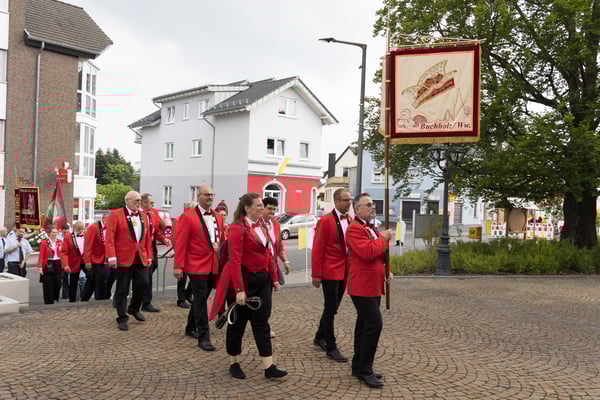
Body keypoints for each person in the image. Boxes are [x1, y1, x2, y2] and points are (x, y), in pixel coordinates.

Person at [209, 192, 287, 380]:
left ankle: (269, 367)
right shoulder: (237, 228)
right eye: (259, 205)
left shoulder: (262, 226)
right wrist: (239, 290)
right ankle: (234, 362)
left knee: (262, 323)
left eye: (262, 205)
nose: (262, 208)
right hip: (243, 281)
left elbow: (268, 254)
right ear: (247, 208)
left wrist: (274, 278)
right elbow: (235, 261)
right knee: (238, 325)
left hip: (262, 282)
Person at [345, 192, 393, 389]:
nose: (373, 207)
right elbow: (368, 252)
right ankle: (366, 370)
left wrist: (387, 270)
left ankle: (359, 367)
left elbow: (380, 254)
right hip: (361, 286)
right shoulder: (354, 229)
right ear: (357, 209)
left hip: (373, 285)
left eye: (373, 204)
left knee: (364, 326)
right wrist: (384, 237)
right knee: (374, 325)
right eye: (369, 204)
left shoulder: (370, 227)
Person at [174, 185, 224, 349]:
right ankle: (204, 337)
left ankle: (190, 327)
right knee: (202, 300)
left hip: (213, 264)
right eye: (206, 194)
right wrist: (179, 266)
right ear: (199, 196)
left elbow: (220, 240)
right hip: (195, 265)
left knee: (200, 298)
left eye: (212, 194)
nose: (210, 197)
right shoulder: (187, 217)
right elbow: (181, 242)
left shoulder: (218, 216)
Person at [311, 188, 353, 362]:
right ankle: (331, 346)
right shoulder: (326, 221)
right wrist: (316, 274)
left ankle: (319, 337)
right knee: (330, 308)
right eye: (346, 200)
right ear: (337, 201)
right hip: (329, 271)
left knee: (333, 307)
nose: (349, 203)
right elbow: (318, 248)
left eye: (350, 200)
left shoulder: (350, 220)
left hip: (344, 271)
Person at [105, 191, 153, 331]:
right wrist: (112, 257)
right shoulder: (116, 214)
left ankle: (133, 308)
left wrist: (149, 256)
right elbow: (109, 237)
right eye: (136, 200)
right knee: (122, 289)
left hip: (140, 257)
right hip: (123, 258)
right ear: (127, 201)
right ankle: (122, 317)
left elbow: (147, 238)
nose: (139, 202)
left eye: (140, 200)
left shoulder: (144, 216)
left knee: (144, 283)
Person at [261, 197, 290, 338]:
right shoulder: (257, 224)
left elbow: (279, 247)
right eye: (269, 208)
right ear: (262, 208)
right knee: (260, 299)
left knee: (267, 299)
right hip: (259, 268)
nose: (272, 212)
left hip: (272, 267)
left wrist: (285, 261)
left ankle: (263, 325)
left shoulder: (276, 225)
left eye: (274, 209)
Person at [141, 193, 170, 313]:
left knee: (151, 270)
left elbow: (156, 230)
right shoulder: (138, 214)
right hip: (141, 249)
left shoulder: (153, 213)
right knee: (143, 276)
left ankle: (146, 301)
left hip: (151, 247)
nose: (153, 205)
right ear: (144, 203)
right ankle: (144, 302)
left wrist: (163, 239)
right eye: (151, 203)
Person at [82, 216, 108, 300]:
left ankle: (85, 298)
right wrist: (87, 261)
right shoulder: (93, 228)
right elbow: (87, 245)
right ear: (104, 219)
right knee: (101, 275)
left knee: (93, 279)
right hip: (93, 258)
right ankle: (101, 297)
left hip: (103, 258)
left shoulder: (110, 228)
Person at [59, 221, 86, 302]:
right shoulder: (68, 237)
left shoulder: (86, 235)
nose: (81, 230)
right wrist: (66, 264)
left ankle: (85, 297)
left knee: (92, 276)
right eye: (79, 228)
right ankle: (72, 301)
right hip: (74, 263)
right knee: (73, 282)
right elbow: (64, 252)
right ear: (74, 228)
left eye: (82, 228)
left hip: (85, 261)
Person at [38, 226, 63, 304]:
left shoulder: (60, 242)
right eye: (53, 232)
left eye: (56, 232)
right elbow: (41, 255)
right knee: (48, 284)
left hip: (58, 263)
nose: (55, 234)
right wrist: (40, 267)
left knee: (58, 283)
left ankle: (55, 297)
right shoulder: (44, 242)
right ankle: (49, 301)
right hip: (48, 264)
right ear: (49, 233)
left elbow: (63, 253)